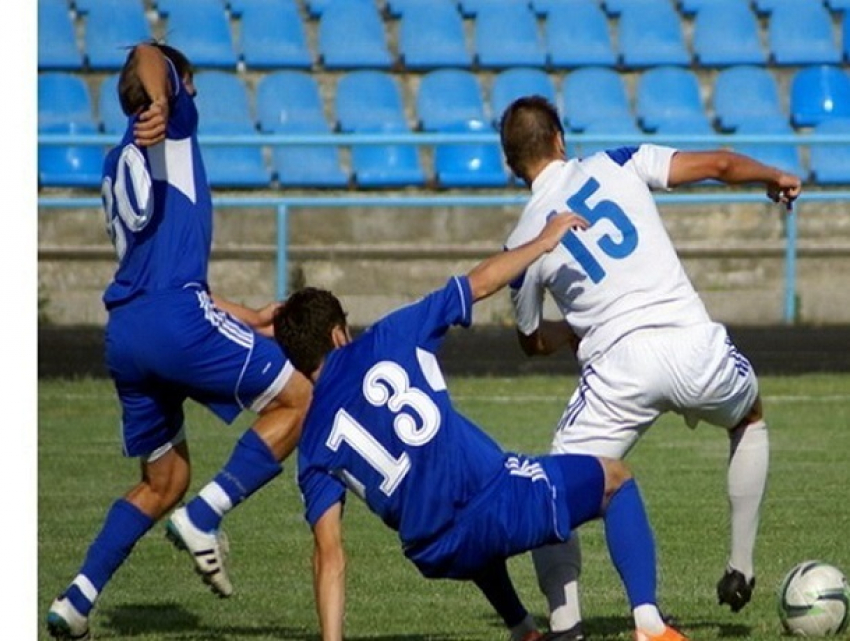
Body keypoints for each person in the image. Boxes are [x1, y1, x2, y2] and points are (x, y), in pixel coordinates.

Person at [273, 212, 690, 641]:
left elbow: (329, 556)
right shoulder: (389, 336)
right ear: (339, 334)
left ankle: (523, 630)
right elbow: (479, 282)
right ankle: (650, 627)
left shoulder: (312, 446)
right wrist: (543, 242)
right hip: (491, 504)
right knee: (615, 481)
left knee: (462, 518)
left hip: (433, 551)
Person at [498, 95, 803, 640]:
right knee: (749, 418)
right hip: (690, 346)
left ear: (510, 164)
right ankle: (740, 567)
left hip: (617, 372)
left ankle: (566, 627)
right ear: (561, 140)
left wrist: (572, 330)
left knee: (554, 491)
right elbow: (721, 164)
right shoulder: (616, 161)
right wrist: (772, 176)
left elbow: (530, 343)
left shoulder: (522, 240)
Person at [45, 42, 311, 640]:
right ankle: (206, 515)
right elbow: (144, 47)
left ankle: (77, 599)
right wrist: (166, 95)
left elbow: (164, 276)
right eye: (186, 85)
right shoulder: (177, 130)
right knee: (301, 398)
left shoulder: (119, 160)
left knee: (162, 480)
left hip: (129, 333)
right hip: (175, 319)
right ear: (176, 84)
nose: (191, 98)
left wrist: (251, 318)